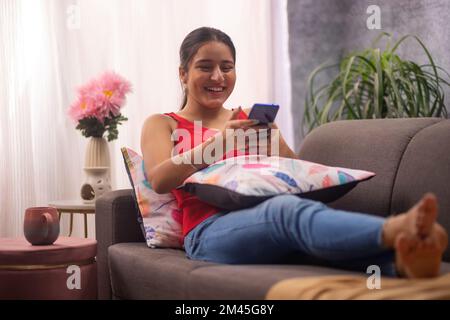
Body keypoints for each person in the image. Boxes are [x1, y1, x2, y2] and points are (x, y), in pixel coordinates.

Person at [141, 26, 448, 278]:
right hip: (207, 233)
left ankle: (402, 265)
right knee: (286, 212)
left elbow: (298, 176)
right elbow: (159, 179)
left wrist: (275, 140)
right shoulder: (163, 123)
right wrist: (220, 142)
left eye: (227, 67)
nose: (218, 77)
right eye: (205, 67)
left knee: (309, 237)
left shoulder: (246, 118)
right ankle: (395, 228)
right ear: (183, 74)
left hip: (262, 217)